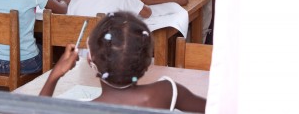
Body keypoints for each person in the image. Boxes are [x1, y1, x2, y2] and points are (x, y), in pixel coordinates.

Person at [40, 11, 206, 112]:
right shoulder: (165, 92)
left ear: (90, 59)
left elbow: (33, 111)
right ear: (148, 62)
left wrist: (55, 74)